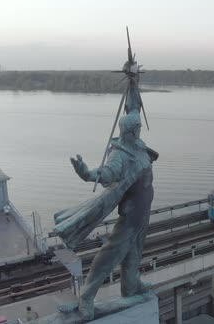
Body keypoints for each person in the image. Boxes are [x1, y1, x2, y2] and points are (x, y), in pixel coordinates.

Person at [55, 112, 156, 320]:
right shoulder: (120, 155)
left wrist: (133, 83)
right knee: (111, 252)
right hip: (131, 212)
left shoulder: (137, 144)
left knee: (135, 249)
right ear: (131, 130)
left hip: (143, 209)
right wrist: (87, 174)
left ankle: (131, 285)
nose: (140, 130)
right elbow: (107, 173)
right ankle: (87, 295)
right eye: (137, 127)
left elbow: (132, 104)